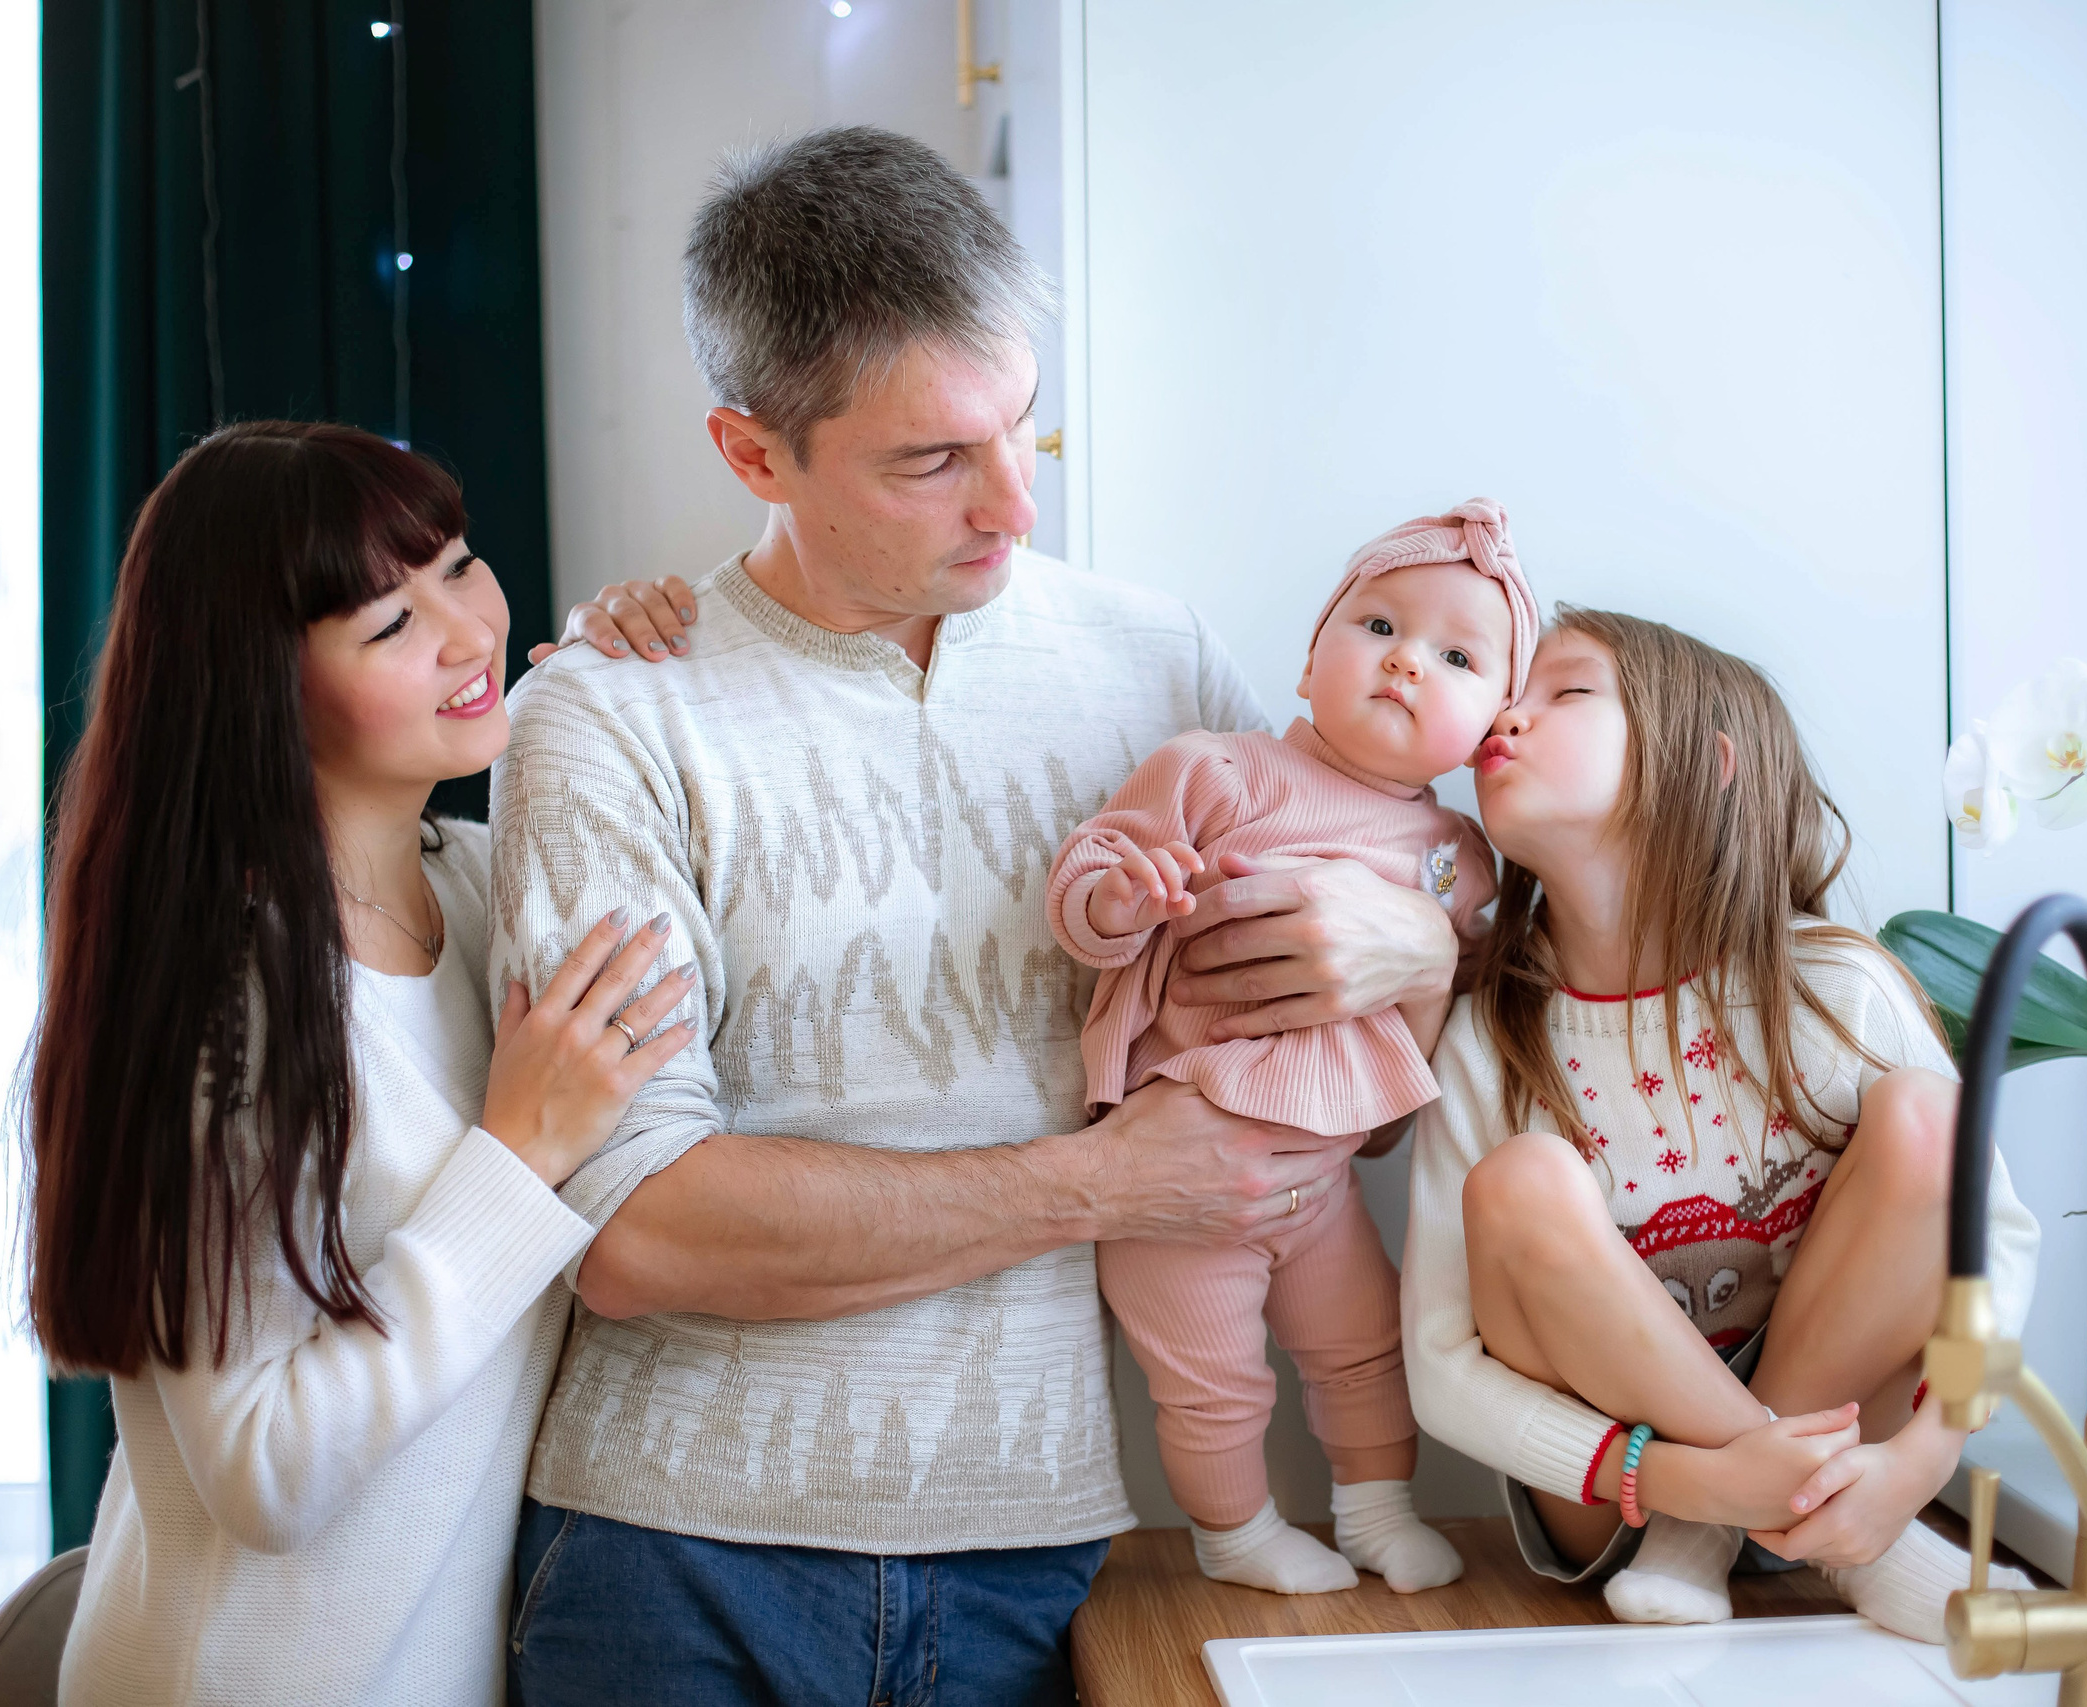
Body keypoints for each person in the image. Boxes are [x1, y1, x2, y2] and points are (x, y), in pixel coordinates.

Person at [490, 127, 1463, 1705]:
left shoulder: (1162, 662)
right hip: (673, 1562)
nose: (1014, 504)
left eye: (1023, 425)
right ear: (753, 455)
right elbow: (639, 1226)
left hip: (1047, 1558)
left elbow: (1327, 1122)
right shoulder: (611, 713)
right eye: (931, 460)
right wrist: (1096, 1179)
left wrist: (1424, 944)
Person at [25, 420, 706, 1706]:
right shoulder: (230, 999)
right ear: (259, 681)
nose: (465, 631)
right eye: (388, 626)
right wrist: (517, 1158)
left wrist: (620, 687)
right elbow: (267, 1471)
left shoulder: (483, 886)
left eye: (459, 565)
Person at [1400, 607, 2043, 1639]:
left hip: (1845, 1419)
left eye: (1564, 692)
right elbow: (1439, 1369)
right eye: (1508, 697)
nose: (1504, 718)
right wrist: (1699, 1486)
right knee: (1520, 1181)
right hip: (1620, 1491)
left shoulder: (1834, 989)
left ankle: (1806, 1522)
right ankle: (1801, 1531)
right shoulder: (1491, 1037)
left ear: (1707, 763)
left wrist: (1927, 1456)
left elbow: (1997, 1241)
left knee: (1929, 1122)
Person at [1043, 501, 1539, 1596]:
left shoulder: (1457, 857)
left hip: (1320, 1179)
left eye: (1455, 657)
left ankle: (1374, 1509)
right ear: (1309, 662)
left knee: (1365, 1345)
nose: (1408, 662)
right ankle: (1235, 1533)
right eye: (1377, 626)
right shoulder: (1217, 771)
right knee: (1212, 1381)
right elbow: (1084, 881)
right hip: (1172, 1167)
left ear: (1491, 726)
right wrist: (1121, 900)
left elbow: (1469, 993)